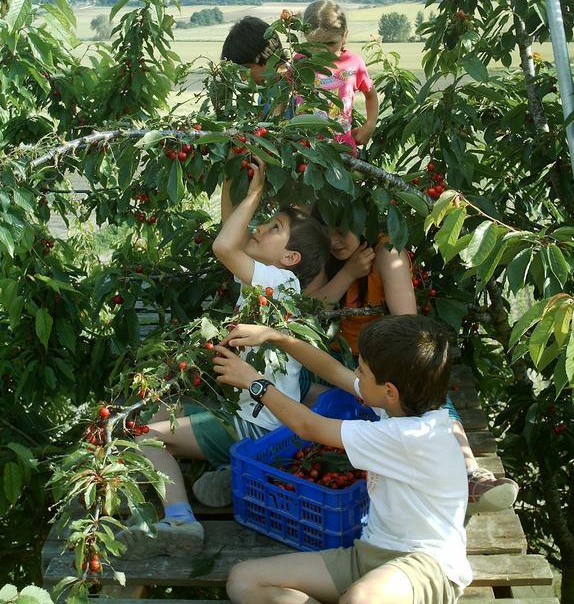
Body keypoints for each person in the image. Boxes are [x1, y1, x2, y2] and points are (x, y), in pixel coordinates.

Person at [119, 157, 330, 558]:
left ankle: (180, 519)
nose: (260, 227)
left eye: (274, 229)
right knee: (166, 417)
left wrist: (255, 192)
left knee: (140, 433)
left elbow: (222, 245)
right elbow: (230, 231)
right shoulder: (266, 276)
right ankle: (228, 472)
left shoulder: (280, 281)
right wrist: (234, 180)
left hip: (255, 425)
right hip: (258, 415)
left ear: (290, 259)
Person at [214, 315, 473, 604]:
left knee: (359, 600)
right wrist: (276, 336)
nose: (355, 374)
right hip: (367, 555)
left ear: (390, 391)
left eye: (361, 371)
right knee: (244, 581)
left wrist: (255, 383)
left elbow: (308, 427)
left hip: (426, 567)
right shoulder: (400, 407)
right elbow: (334, 371)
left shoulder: (411, 436)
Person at [306, 223, 519, 516]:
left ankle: (470, 472)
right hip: (340, 357)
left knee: (424, 394)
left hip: (383, 358)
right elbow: (307, 309)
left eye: (342, 229)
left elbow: (408, 331)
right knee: (316, 393)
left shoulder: (385, 252)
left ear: (359, 217)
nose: (334, 239)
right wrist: (348, 274)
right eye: (327, 229)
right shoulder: (325, 255)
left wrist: (379, 367)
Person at [294, 0, 379, 156]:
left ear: (344, 35)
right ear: (305, 36)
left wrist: (370, 125)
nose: (324, 51)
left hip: (342, 151)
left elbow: (371, 96)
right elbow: (282, 97)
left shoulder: (354, 64)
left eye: (331, 43)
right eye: (316, 44)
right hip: (303, 150)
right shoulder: (299, 62)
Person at [221, 15, 284, 85]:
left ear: (267, 55)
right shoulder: (266, 93)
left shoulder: (296, 92)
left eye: (246, 68)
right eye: (239, 71)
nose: (243, 78)